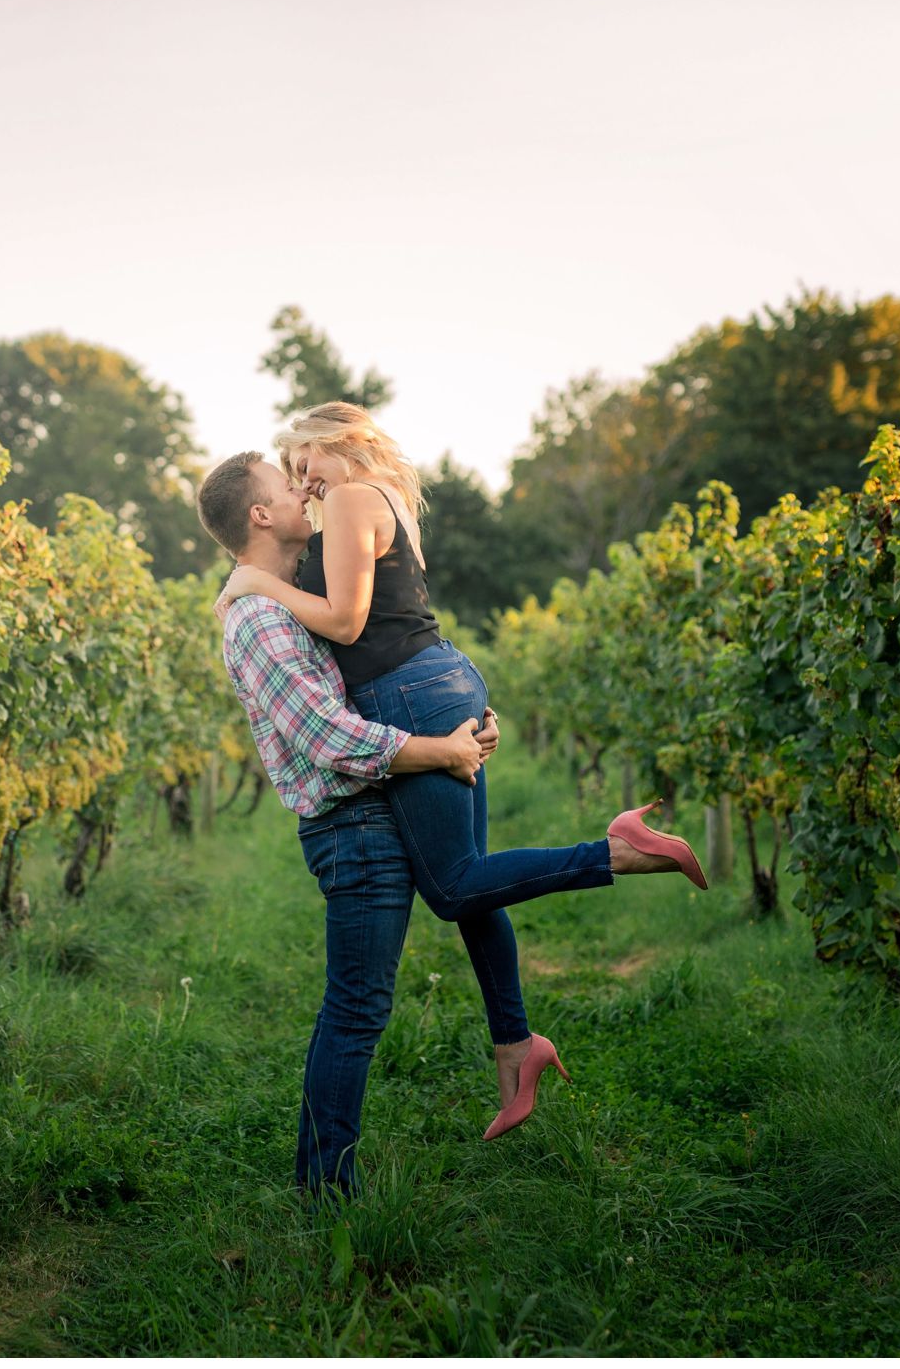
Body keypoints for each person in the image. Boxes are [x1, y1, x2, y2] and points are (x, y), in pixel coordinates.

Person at [201, 452, 690, 1192]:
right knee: (357, 1009)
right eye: (284, 485)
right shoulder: (258, 616)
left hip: (378, 802)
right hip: (349, 827)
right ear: (259, 515)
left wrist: (454, 732)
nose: (304, 491)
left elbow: (374, 677)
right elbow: (323, 734)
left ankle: (343, 1171)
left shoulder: (292, 591)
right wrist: (438, 747)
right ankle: (324, 1195)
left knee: (446, 906)